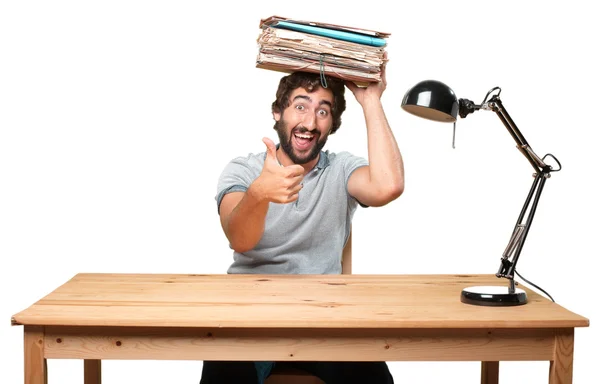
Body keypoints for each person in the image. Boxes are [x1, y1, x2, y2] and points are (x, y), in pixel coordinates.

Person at [201, 58, 404, 384]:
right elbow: (238, 238)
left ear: (332, 124)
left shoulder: (341, 170)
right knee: (224, 371)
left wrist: (371, 101)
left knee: (374, 378)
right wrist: (260, 194)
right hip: (249, 319)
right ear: (277, 113)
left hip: (324, 320)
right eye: (300, 107)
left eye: (323, 111)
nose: (310, 121)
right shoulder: (243, 170)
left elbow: (388, 185)